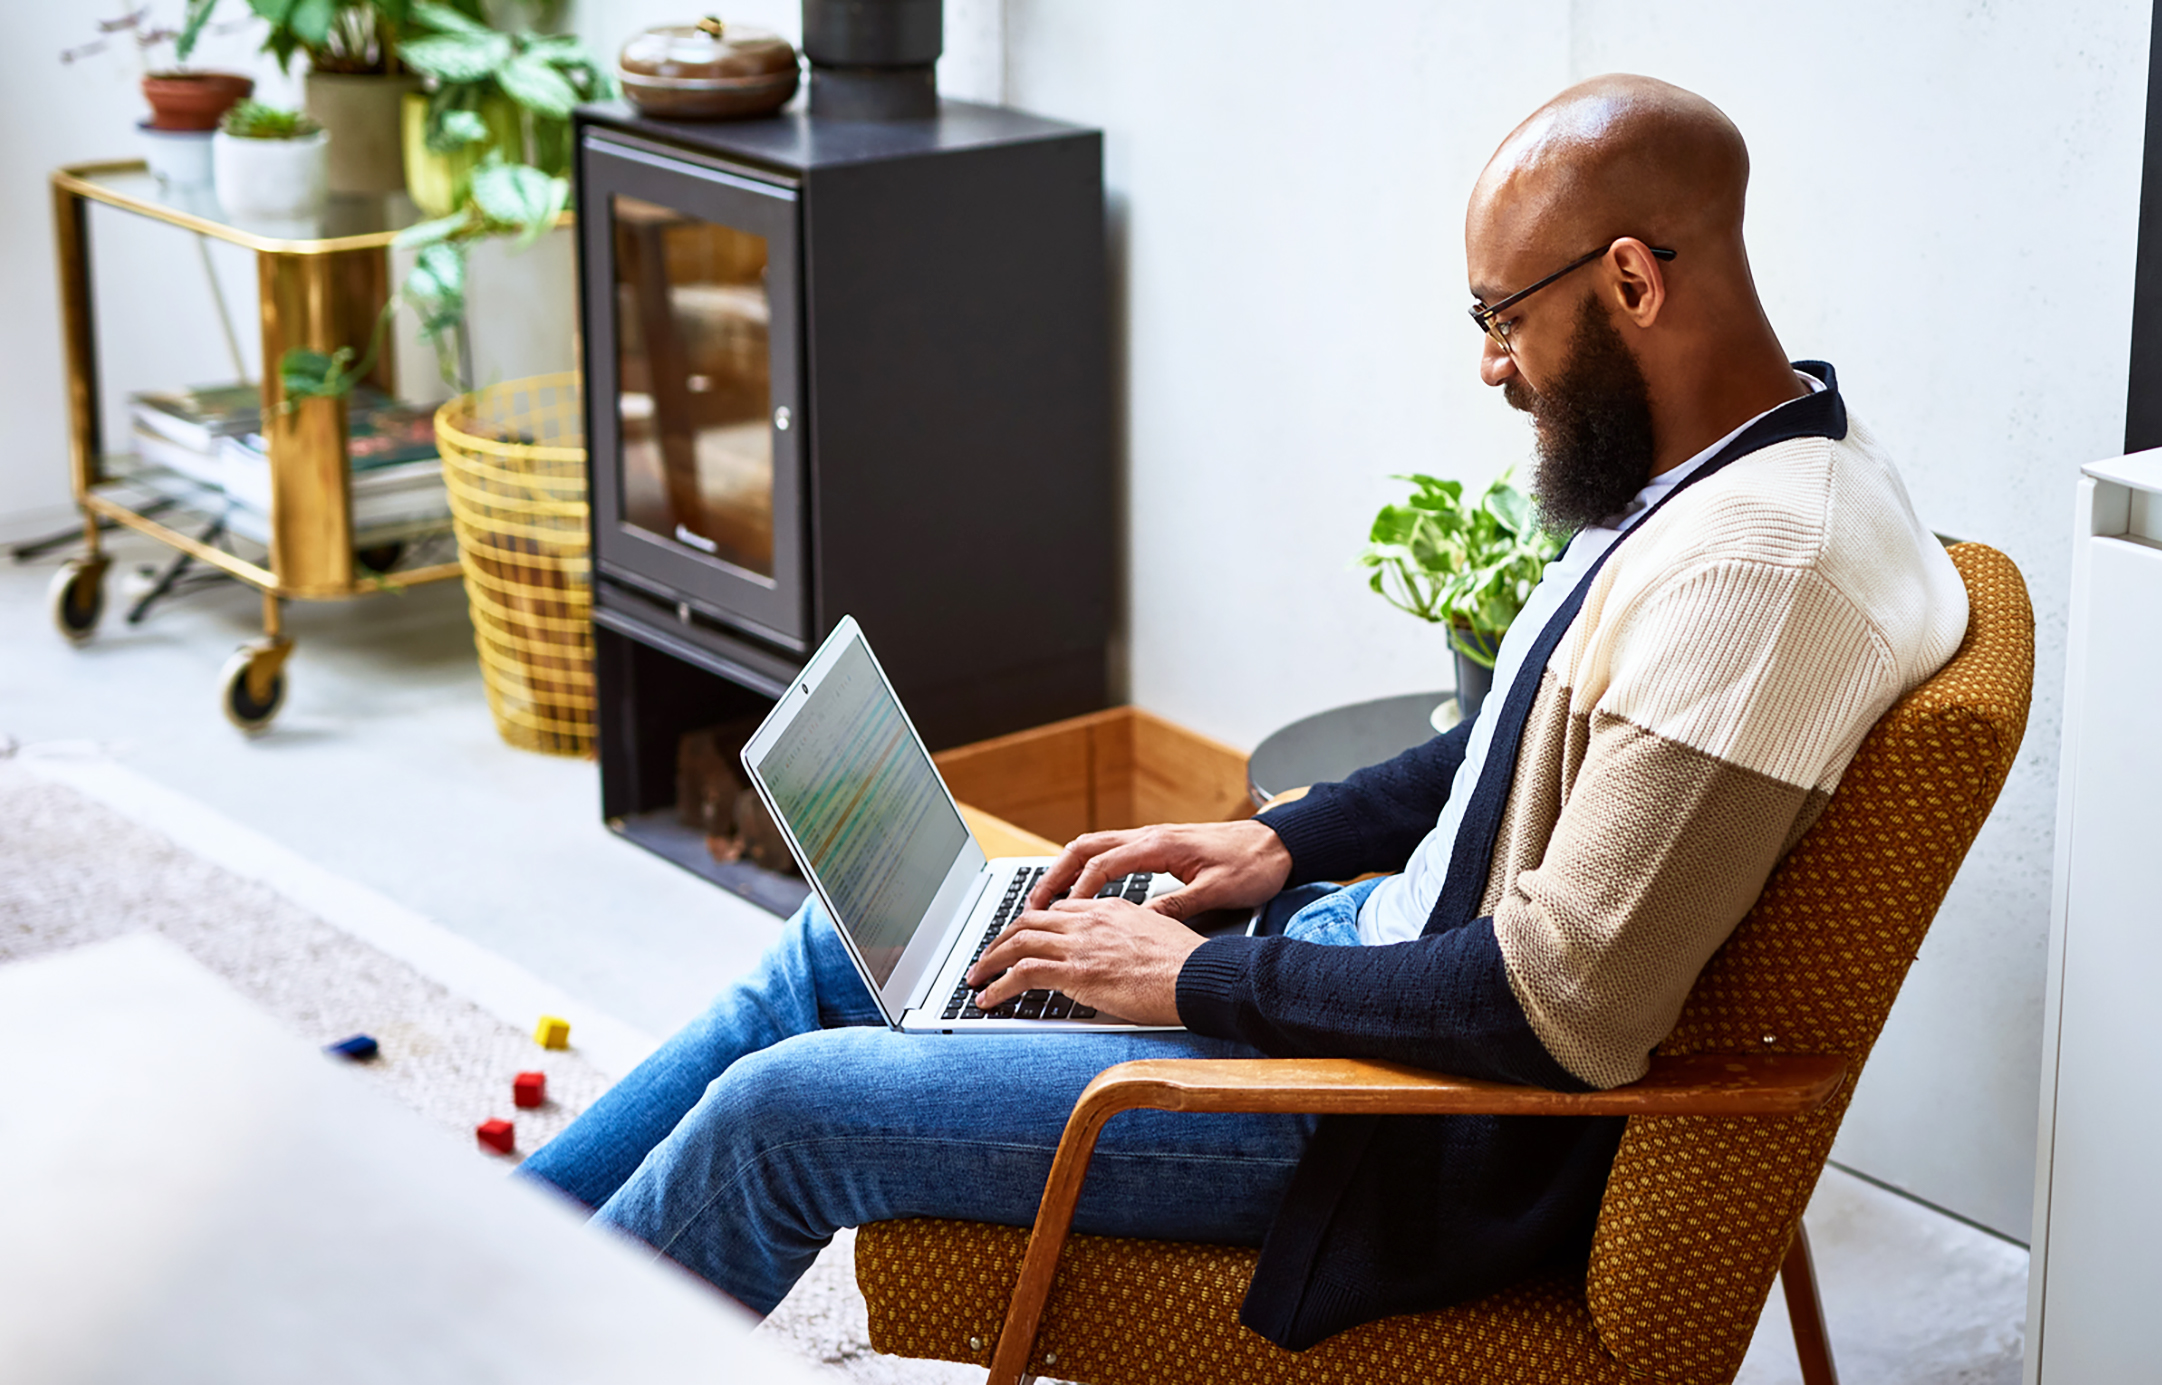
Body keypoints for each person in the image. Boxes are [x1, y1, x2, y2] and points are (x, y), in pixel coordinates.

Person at [520, 73, 1969, 1351]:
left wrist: (1195, 978)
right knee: (843, 953)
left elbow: (1556, 1009)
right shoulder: (1729, 461)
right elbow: (1522, 741)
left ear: (1633, 281)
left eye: (1502, 317)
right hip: (1358, 967)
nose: (1489, 363)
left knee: (784, 1116)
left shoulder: (1764, 574)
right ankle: (470, 1270)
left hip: (1379, 1123)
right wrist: (1278, 847)